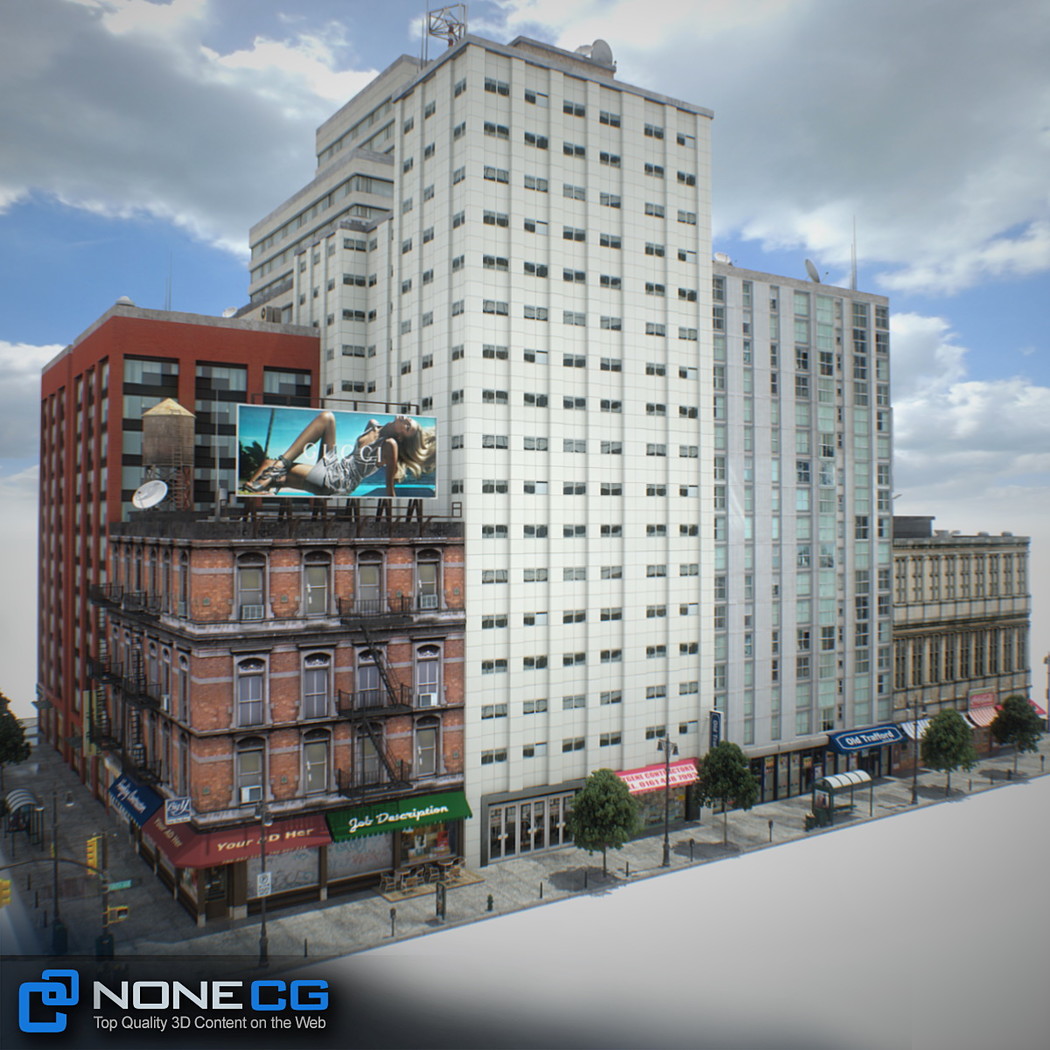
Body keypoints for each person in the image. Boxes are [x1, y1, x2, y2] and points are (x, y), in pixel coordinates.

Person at [244, 412, 435, 497]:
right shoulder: (372, 424)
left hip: (342, 481)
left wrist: (391, 521)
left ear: (401, 437)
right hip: (335, 466)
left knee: (327, 417)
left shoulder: (390, 445)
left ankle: (280, 465)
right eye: (409, 420)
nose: (406, 420)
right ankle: (259, 486)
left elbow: (389, 488)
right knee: (267, 463)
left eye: (408, 426)